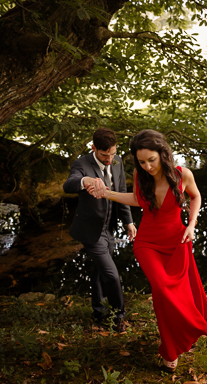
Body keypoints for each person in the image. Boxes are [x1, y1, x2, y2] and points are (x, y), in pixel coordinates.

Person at [88, 129, 207, 372]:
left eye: (151, 160)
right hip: (147, 242)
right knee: (161, 288)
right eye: (142, 161)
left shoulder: (183, 175)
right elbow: (138, 200)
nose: (147, 166)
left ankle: (176, 340)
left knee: (174, 293)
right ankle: (172, 346)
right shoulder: (140, 174)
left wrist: (191, 224)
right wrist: (107, 193)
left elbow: (196, 197)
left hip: (177, 240)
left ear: (163, 153)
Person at [63, 127, 137, 332]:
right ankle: (118, 317)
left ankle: (98, 311)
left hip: (110, 227)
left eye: (112, 154)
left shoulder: (118, 161)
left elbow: (121, 192)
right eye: (105, 155)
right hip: (91, 230)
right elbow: (68, 185)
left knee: (99, 271)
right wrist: (85, 181)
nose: (109, 159)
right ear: (94, 148)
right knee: (112, 275)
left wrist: (128, 222)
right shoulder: (81, 164)